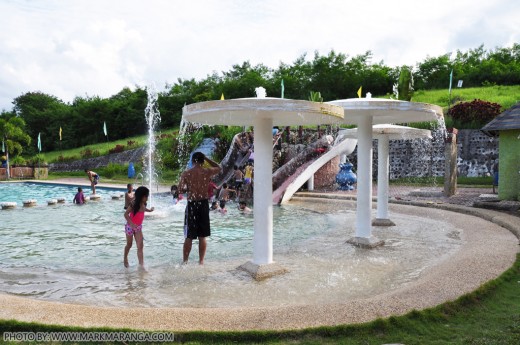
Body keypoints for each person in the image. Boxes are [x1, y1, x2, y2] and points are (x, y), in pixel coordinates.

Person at [178, 152, 221, 265]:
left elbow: (180, 190)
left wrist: (189, 189)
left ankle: (185, 262)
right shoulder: (207, 172)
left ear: (193, 160)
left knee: (189, 236)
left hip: (192, 204)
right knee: (202, 236)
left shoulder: (186, 173)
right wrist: (207, 158)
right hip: (203, 204)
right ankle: (201, 262)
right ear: (202, 161)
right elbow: (219, 167)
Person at [123, 186, 154, 269]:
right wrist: (132, 224)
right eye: (146, 196)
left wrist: (149, 210)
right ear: (141, 196)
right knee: (129, 245)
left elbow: (143, 209)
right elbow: (125, 214)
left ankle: (141, 265)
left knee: (140, 246)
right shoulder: (133, 204)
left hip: (138, 228)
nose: (147, 198)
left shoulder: (143, 204)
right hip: (130, 227)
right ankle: (125, 258)